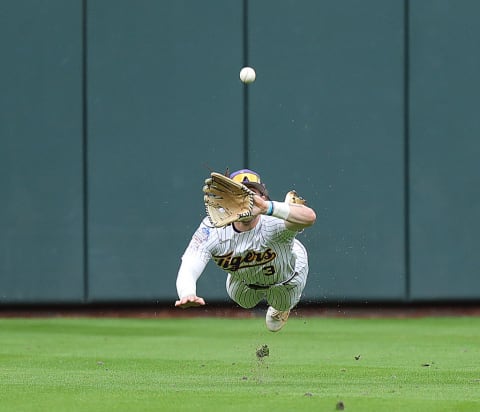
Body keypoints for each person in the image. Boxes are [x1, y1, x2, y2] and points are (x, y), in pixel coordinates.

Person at [174, 169, 316, 332]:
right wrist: (187, 292)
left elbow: (310, 217)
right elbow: (191, 262)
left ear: (262, 197)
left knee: (280, 304)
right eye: (239, 194)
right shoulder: (212, 227)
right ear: (227, 200)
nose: (246, 201)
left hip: (287, 276)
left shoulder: (273, 220)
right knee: (244, 301)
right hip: (244, 282)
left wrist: (267, 207)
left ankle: (282, 309)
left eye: (251, 194)